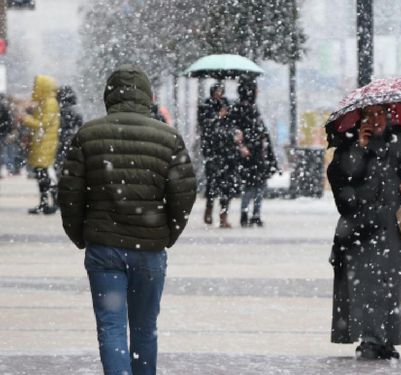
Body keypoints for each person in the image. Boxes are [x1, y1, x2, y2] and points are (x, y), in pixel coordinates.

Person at [58, 65, 197, 375]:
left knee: (111, 328)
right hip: (149, 249)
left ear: (109, 96)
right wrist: (166, 233)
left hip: (104, 248)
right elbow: (184, 193)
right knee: (145, 328)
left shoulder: (88, 135)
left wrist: (81, 234)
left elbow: (69, 193)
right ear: (148, 97)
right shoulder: (168, 137)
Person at [327, 105, 401, 360]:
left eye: (380, 114)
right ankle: (370, 339)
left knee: (392, 286)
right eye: (369, 116)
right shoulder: (349, 147)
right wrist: (360, 149)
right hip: (361, 230)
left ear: (388, 115)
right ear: (360, 119)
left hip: (397, 228)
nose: (375, 120)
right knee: (365, 286)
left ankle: (386, 339)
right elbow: (341, 180)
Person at [229, 78, 278, 227]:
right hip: (251, 153)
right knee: (253, 185)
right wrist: (243, 145)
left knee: (256, 185)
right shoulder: (243, 108)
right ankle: (249, 214)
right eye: (255, 89)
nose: (257, 92)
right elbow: (239, 131)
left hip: (255, 152)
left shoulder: (247, 108)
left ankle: (252, 214)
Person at [18, 75, 60, 214]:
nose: (34, 89)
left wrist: (25, 119)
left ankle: (50, 202)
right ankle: (46, 202)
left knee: (44, 174)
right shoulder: (45, 102)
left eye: (36, 86)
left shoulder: (49, 102)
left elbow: (43, 124)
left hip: (45, 144)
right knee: (41, 174)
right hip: (41, 142)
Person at [198, 83, 235, 226]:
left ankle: (223, 216)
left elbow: (231, 125)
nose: (219, 94)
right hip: (212, 151)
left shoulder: (227, 105)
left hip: (226, 151)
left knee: (227, 185)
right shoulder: (206, 107)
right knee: (212, 183)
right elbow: (206, 127)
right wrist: (218, 116)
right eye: (217, 91)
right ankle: (209, 209)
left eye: (221, 91)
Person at [55, 85, 83, 180]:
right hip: (72, 140)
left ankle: (60, 184)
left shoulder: (58, 111)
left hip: (59, 139)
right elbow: (81, 126)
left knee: (59, 164)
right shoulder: (76, 111)